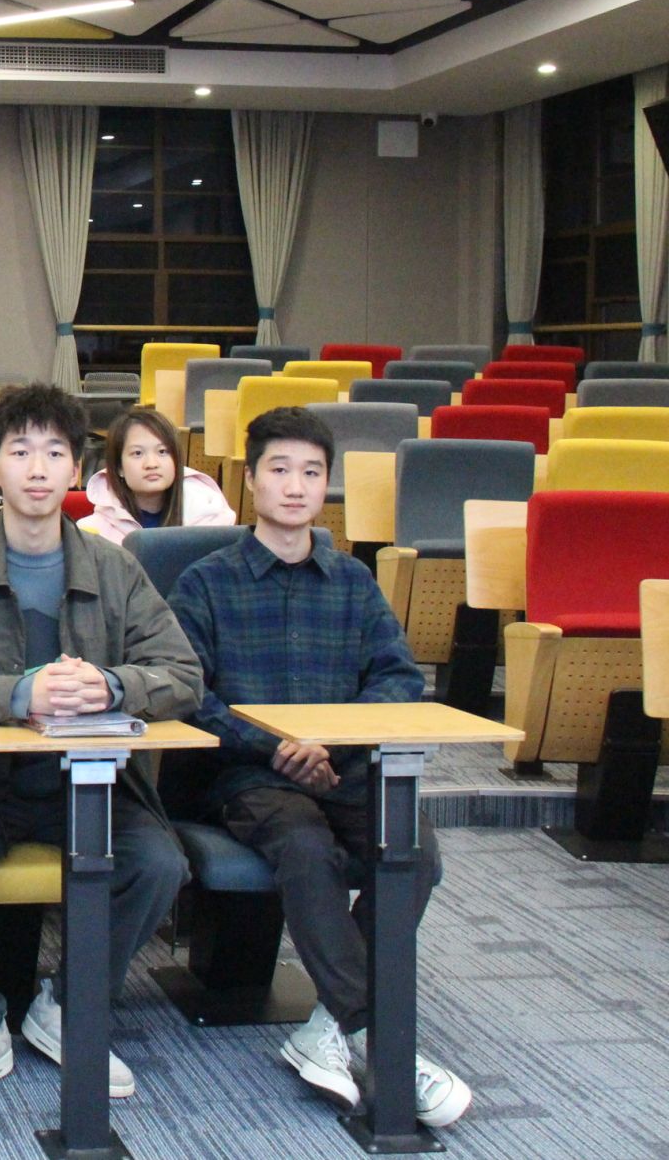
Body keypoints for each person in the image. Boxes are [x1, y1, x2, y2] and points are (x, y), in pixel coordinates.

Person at [0, 383, 199, 1113]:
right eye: (20, 451)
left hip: (86, 779)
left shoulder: (115, 567)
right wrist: (16, 694)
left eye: (55, 452)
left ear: (77, 470)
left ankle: (68, 1005)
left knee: (159, 863)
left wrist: (112, 684)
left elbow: (183, 674)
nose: (37, 469)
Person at [167, 406, 468, 1128]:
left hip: (345, 765)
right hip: (250, 774)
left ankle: (328, 1021)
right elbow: (186, 691)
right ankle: (379, 1036)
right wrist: (276, 744)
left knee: (414, 850)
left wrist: (332, 742)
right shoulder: (206, 582)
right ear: (251, 481)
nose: (296, 485)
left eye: (311, 472)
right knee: (305, 847)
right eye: (280, 470)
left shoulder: (354, 581)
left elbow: (398, 676)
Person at [78, 407, 233, 545]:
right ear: (119, 467)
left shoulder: (211, 520)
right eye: (137, 453)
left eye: (162, 452)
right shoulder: (92, 534)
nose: (151, 464)